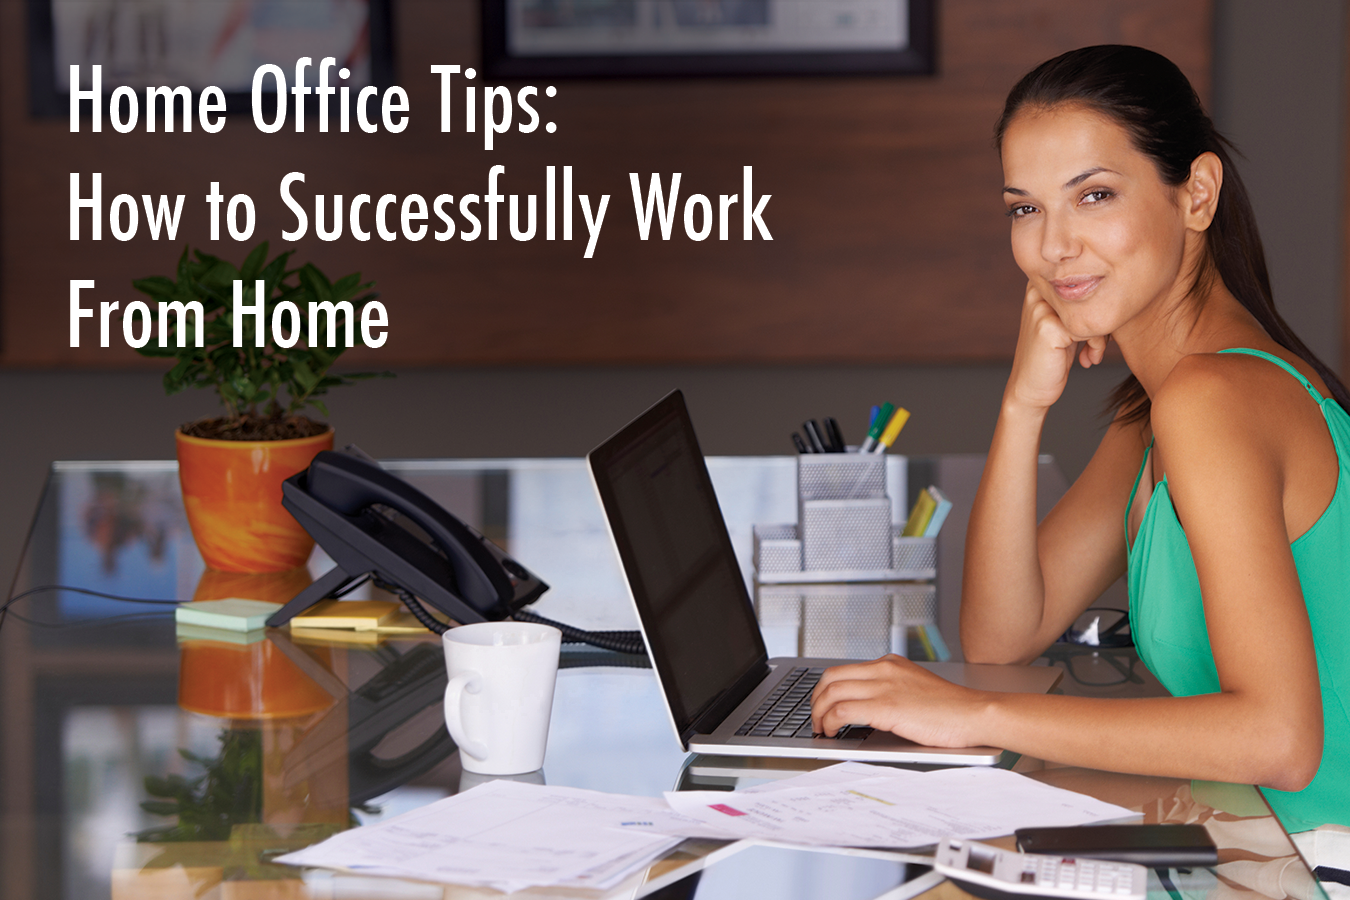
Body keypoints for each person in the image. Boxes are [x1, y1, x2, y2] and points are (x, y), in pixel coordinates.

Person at [809, 44, 1350, 860]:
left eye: (1093, 196)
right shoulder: (1164, 408)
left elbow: (1279, 739)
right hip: (1247, 836)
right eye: (1024, 209)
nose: (1054, 246)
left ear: (1196, 194)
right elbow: (1003, 636)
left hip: (1312, 861)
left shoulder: (1213, 400)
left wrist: (974, 714)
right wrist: (1023, 404)